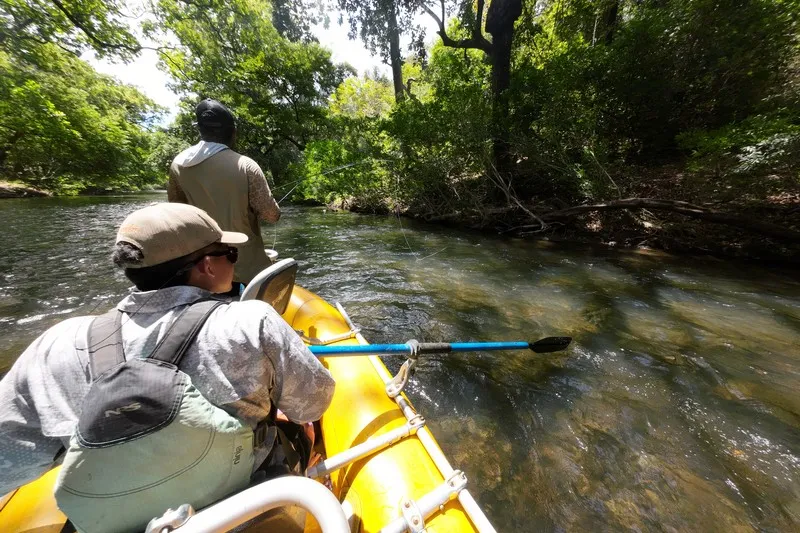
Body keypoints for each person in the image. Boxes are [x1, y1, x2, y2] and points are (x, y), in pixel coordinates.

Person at [0, 202, 335, 530]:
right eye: (230, 254)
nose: (234, 262)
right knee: (302, 428)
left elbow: (10, 462)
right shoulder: (250, 322)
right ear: (208, 265)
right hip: (242, 505)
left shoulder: (58, 342)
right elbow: (312, 405)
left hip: (109, 520)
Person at [168, 98, 281, 287]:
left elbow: (177, 214)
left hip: (205, 271)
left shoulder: (178, 165)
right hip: (247, 270)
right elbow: (271, 215)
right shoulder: (246, 165)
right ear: (233, 132)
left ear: (200, 130)